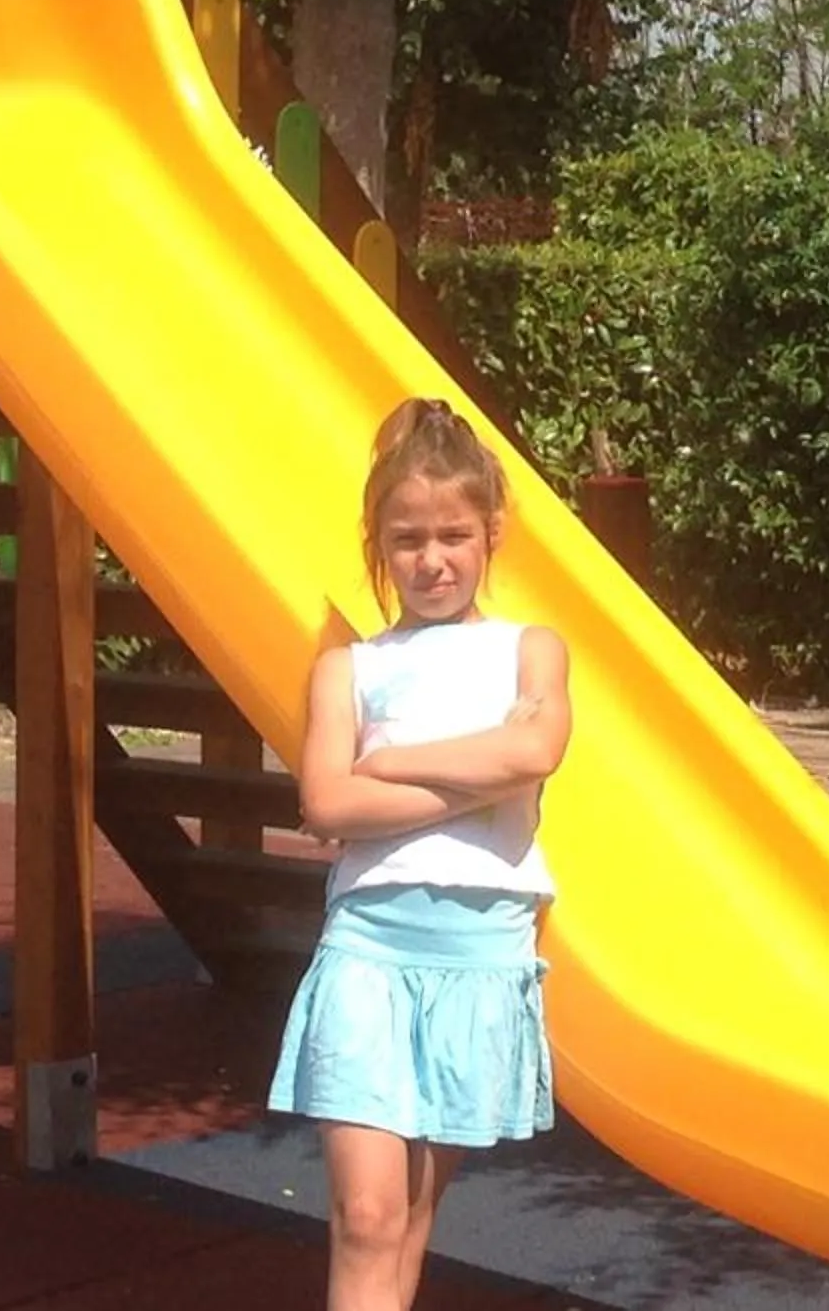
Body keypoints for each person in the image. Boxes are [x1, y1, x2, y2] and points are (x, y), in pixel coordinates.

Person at [268, 397, 572, 1311]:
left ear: (491, 532)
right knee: (365, 1215)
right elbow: (327, 802)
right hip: (370, 951)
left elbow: (536, 752)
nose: (431, 560)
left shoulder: (531, 651)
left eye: (452, 535)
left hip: (479, 960)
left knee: (408, 1215)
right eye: (407, 540)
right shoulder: (349, 670)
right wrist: (484, 770)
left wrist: (390, 763)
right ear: (377, 542)